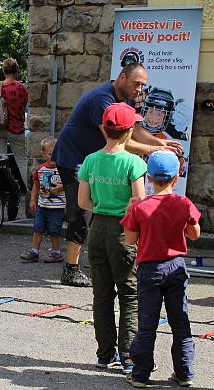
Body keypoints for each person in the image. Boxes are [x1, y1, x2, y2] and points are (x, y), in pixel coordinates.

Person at [51, 63, 184, 287]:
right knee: (80, 210)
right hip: (73, 157)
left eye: (143, 84)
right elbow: (119, 139)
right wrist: (155, 150)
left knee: (97, 210)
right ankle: (71, 269)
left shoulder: (126, 97)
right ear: (122, 77)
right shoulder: (102, 99)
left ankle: (100, 261)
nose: (140, 89)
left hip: (93, 158)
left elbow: (133, 128)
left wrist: (160, 141)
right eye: (137, 83)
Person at [121, 151, 201, 388]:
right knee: (180, 321)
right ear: (176, 178)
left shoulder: (140, 207)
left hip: (149, 268)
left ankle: (141, 374)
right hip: (176, 267)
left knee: (147, 324)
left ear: (149, 178)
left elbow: (129, 239)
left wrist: (129, 210)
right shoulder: (183, 203)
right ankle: (184, 372)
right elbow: (194, 234)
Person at [77, 103, 147, 375]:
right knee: (129, 293)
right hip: (123, 230)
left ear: (105, 130)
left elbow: (83, 200)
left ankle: (105, 354)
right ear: (129, 132)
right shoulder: (134, 162)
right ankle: (128, 355)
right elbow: (139, 202)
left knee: (102, 294)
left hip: (97, 229)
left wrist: (103, 208)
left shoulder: (91, 160)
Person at [0, 58, 28, 194]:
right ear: (16, 70)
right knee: (22, 161)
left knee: (0, 162)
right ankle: (30, 192)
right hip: (16, 128)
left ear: (3, 70)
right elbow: (24, 105)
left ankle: (5, 192)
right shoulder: (21, 88)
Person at [20, 137, 65, 263]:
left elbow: (69, 183)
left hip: (57, 207)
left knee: (54, 231)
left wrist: (62, 187)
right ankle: (34, 251)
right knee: (38, 228)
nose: (53, 156)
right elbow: (36, 185)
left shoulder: (62, 169)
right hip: (42, 206)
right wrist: (33, 200)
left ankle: (57, 252)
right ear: (43, 153)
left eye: (56, 153)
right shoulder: (40, 170)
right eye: (50, 154)